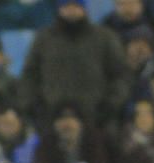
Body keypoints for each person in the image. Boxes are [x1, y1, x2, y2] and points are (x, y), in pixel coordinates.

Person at [18, 0, 130, 128]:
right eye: (66, 5)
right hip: (52, 120)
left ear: (84, 8)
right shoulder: (44, 39)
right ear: (59, 8)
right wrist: (35, 107)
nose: (71, 10)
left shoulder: (105, 38)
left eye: (76, 5)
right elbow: (29, 76)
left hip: (97, 121)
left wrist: (110, 105)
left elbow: (120, 75)